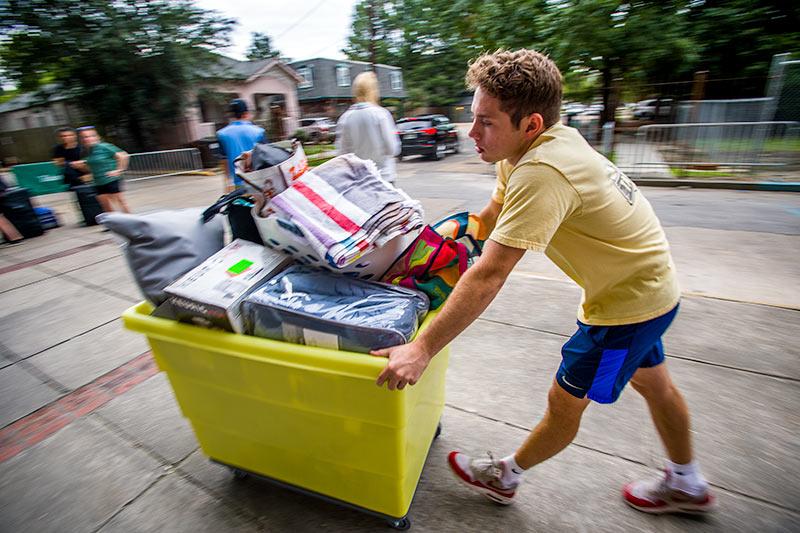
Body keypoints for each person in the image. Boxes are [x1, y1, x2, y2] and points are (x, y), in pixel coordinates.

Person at [372, 49, 714, 515]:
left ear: (531, 124)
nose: (471, 133)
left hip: (628, 310)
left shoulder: (542, 171)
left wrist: (422, 348)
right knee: (655, 386)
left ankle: (506, 477)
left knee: (566, 401)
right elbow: (488, 218)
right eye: (473, 117)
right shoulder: (524, 152)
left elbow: (491, 273)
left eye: (486, 122)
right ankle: (688, 482)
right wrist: (430, 249)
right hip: (649, 293)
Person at [335, 71, 401, 183]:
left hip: (360, 181)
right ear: (373, 90)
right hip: (384, 178)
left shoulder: (345, 118)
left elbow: (342, 154)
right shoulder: (381, 114)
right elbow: (393, 149)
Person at [75, 126, 131, 214]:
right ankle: (113, 224)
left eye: (91, 136)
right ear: (81, 139)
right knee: (105, 206)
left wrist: (119, 170)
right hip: (97, 181)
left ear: (97, 137)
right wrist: (81, 166)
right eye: (85, 137)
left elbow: (123, 156)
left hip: (111, 179)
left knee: (120, 202)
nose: (88, 139)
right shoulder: (86, 151)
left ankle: (131, 221)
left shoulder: (104, 146)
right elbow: (90, 169)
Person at [217, 98, 266, 191]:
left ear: (231, 115)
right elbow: (266, 156)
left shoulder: (222, 134)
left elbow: (224, 160)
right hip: (258, 181)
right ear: (246, 113)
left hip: (238, 183)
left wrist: (227, 182)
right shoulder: (259, 131)